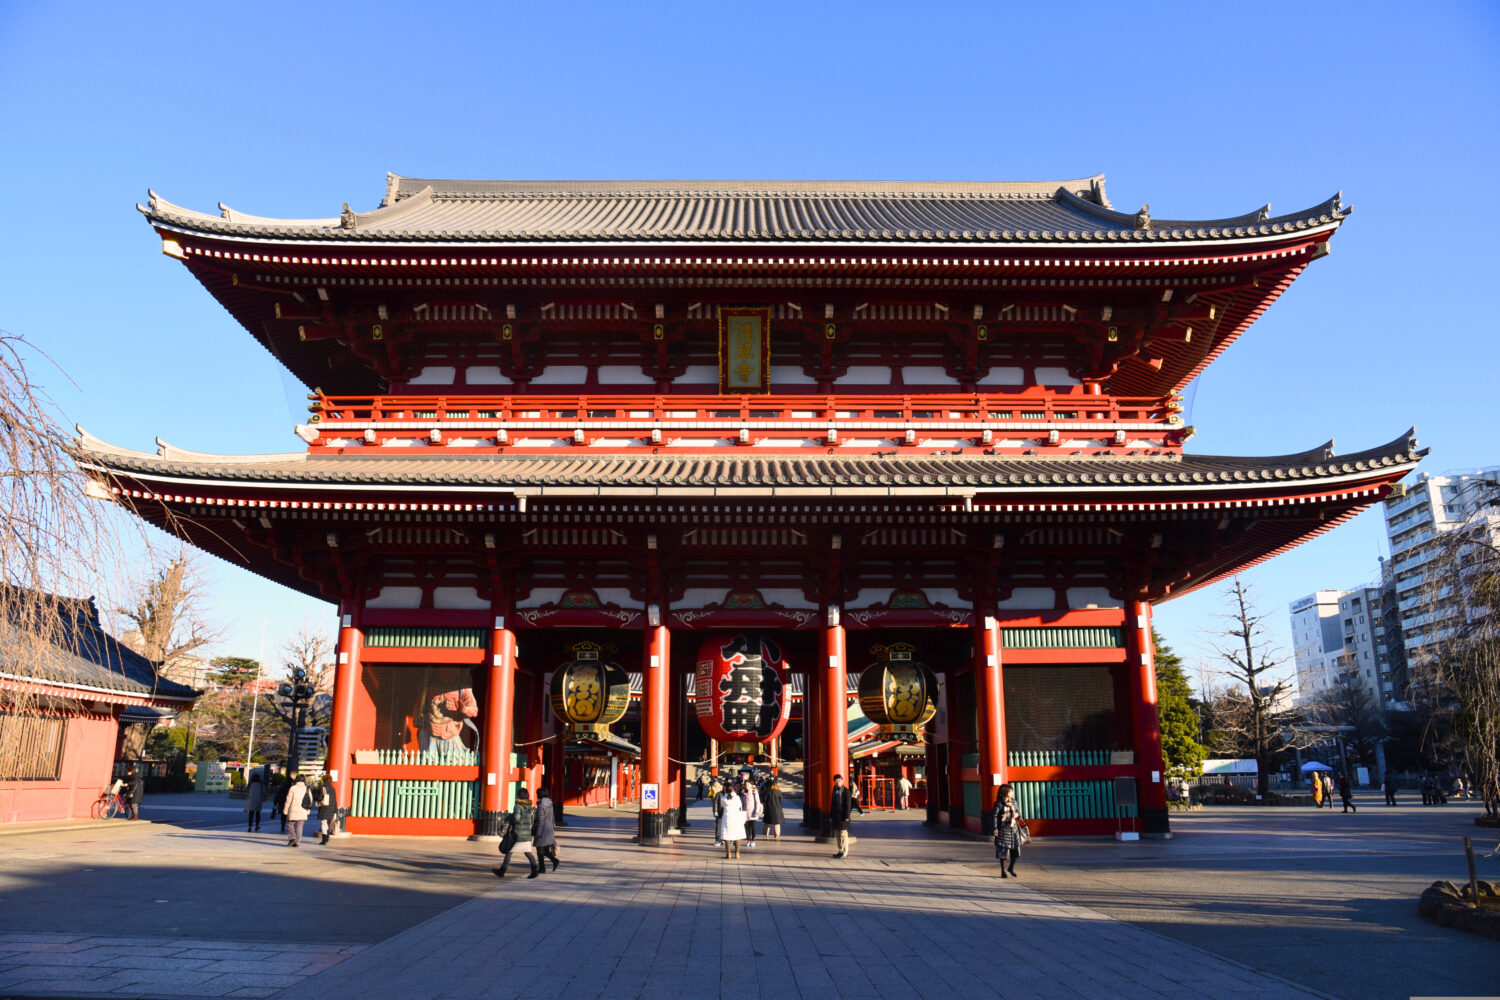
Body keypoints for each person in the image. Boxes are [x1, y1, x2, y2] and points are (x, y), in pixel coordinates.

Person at [493, 787, 535, 878]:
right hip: (526, 833)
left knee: (510, 851)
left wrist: (510, 817)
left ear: (519, 796)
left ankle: (502, 871)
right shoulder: (529, 806)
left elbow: (517, 819)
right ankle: (534, 870)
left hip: (517, 833)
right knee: (527, 852)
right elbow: (530, 820)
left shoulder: (518, 805)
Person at [993, 783, 1025, 878]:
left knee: (1016, 852)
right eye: (1010, 791)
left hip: (1014, 829)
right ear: (1005, 792)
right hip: (1003, 830)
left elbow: (1019, 813)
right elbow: (994, 816)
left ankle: (1011, 867)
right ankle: (1003, 871)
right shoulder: (999, 803)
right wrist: (995, 828)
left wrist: (1017, 815)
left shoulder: (1014, 802)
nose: (1012, 793)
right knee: (1003, 852)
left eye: (1012, 791)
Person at [531, 787, 559, 877]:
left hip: (542, 830)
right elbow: (553, 818)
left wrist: (538, 833)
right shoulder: (550, 804)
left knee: (539, 849)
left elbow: (540, 821)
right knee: (545, 849)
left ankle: (542, 868)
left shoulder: (541, 806)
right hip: (549, 830)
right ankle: (555, 861)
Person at [718, 785, 747, 859]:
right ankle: (737, 854)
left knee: (727, 836)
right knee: (737, 836)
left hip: (727, 818)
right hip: (736, 818)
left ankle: (729, 854)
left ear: (726, 790)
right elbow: (740, 805)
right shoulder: (737, 798)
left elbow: (722, 805)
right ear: (733, 790)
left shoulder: (724, 798)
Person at [829, 774, 854, 859]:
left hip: (843, 816)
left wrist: (847, 816)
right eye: (836, 780)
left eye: (839, 780)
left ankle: (845, 852)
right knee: (837, 834)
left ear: (842, 781)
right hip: (835, 816)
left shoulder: (846, 792)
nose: (837, 782)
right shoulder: (834, 790)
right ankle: (840, 850)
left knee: (843, 835)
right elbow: (832, 804)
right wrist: (831, 815)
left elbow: (848, 805)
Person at [283, 772, 311, 847]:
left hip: (293, 809)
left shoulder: (293, 788)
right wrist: (308, 809)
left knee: (289, 824)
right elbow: (310, 799)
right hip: (303, 810)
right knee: (299, 827)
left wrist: (285, 810)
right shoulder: (307, 788)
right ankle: (297, 842)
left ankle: (292, 838)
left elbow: (288, 800)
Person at [740, 774, 762, 848]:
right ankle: (748, 839)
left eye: (748, 785)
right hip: (745, 813)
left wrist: (757, 811)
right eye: (746, 785)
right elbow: (742, 803)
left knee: (753, 827)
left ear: (751, 785)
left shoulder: (754, 792)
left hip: (753, 812)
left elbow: (757, 802)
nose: (747, 786)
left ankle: (753, 840)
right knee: (746, 827)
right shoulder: (743, 793)